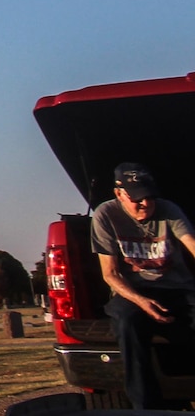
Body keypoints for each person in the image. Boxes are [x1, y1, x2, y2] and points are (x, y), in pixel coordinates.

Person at [92, 161, 195, 412]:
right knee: (128, 323)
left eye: (149, 197)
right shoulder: (105, 215)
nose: (145, 204)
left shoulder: (169, 210)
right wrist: (141, 301)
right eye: (137, 198)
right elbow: (111, 274)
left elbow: (191, 243)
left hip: (176, 289)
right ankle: (145, 407)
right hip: (131, 291)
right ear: (119, 193)